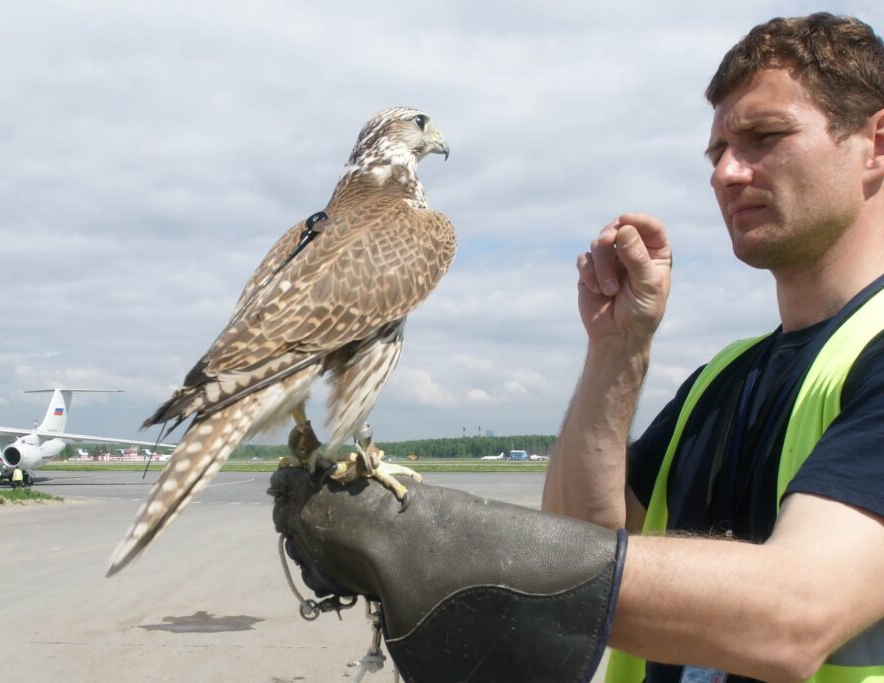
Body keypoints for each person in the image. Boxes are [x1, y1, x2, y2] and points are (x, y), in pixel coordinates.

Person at [272, 12, 884, 683]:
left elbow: (794, 615)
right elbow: (576, 539)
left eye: (765, 137)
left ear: (875, 144)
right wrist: (617, 352)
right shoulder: (723, 382)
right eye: (716, 152)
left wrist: (450, 551)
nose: (728, 173)